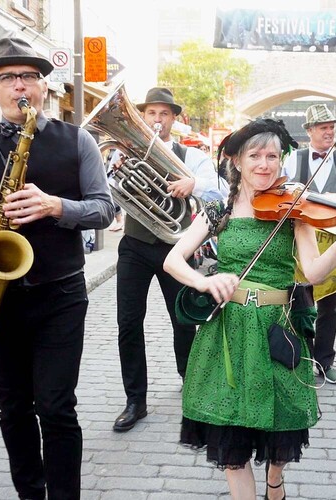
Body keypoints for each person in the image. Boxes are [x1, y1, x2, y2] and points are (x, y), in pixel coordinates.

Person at [163, 118, 336, 500]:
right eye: (255, 156)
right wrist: (205, 280)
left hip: (276, 326)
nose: (264, 165)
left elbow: (312, 272)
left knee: (281, 421)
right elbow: (173, 260)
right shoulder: (219, 209)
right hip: (228, 330)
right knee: (231, 437)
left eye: (272, 156)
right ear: (236, 160)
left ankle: (275, 482)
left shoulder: (294, 209)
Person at [0, 36, 114, 499]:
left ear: (43, 87)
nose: (20, 85)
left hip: (60, 295)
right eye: (8, 77)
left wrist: (57, 206)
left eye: (29, 77)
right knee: (13, 408)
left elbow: (104, 209)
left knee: (56, 408)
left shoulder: (78, 140)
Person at [113, 87, 225, 432]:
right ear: (143, 117)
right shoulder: (126, 152)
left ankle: (189, 380)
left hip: (174, 247)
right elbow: (107, 196)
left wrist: (194, 184)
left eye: (164, 114)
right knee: (128, 324)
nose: (157, 120)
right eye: (152, 113)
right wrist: (114, 170)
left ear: (174, 119)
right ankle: (135, 400)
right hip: (133, 245)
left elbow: (219, 188)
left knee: (183, 319)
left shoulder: (189, 156)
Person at [282, 104, 336, 384]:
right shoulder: (295, 158)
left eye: (331, 126)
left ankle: (325, 360)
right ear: (309, 131)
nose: (329, 131)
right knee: (298, 301)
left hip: (335, 239)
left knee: (330, 306)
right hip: (301, 238)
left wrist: (326, 200)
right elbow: (285, 194)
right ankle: (298, 357)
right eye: (322, 127)